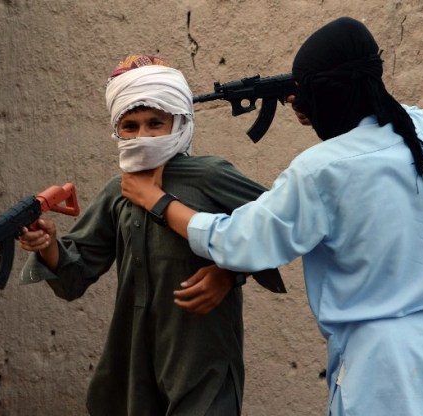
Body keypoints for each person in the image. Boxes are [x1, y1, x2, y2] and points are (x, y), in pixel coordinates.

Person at [121, 18, 423, 416]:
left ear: (326, 95)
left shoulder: (320, 171)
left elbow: (238, 241)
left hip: (388, 376)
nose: (296, 102)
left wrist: (156, 199)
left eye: (306, 93)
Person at [18, 54, 285, 416]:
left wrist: (229, 274)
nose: (142, 136)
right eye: (130, 126)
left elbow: (280, 229)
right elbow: (74, 276)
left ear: (180, 122)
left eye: (155, 123)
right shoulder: (118, 192)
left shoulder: (210, 176)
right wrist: (48, 244)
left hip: (201, 360)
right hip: (133, 366)